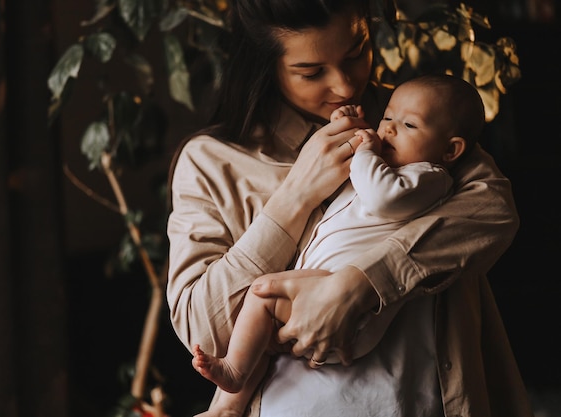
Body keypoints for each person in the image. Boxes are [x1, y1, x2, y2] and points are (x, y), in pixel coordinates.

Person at [166, 1, 533, 416]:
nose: (343, 86)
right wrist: (295, 196)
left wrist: (362, 284)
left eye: (356, 52)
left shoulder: (411, 118)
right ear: (266, 66)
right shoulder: (212, 161)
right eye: (311, 72)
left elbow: (493, 211)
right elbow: (206, 333)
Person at [189, 73, 486, 417]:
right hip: (317, 290)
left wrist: (364, 149)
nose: (388, 129)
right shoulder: (205, 157)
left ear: (451, 150)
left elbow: (380, 194)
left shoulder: (428, 177)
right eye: (387, 117)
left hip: (350, 315)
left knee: (262, 296)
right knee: (262, 329)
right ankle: (227, 405)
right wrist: (348, 127)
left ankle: (233, 379)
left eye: (408, 125)